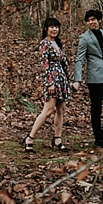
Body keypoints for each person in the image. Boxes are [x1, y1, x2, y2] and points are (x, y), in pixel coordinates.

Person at [73, 9, 103, 148]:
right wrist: (77, 79)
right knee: (96, 108)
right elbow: (79, 59)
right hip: (94, 77)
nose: (91, 22)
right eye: (88, 20)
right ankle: (98, 139)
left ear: (99, 20)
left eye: (93, 20)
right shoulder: (84, 38)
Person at [23, 17, 71, 153]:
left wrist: (69, 80)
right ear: (46, 29)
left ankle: (57, 139)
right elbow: (45, 65)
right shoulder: (44, 44)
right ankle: (30, 138)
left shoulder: (57, 43)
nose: (55, 29)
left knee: (61, 110)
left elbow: (64, 63)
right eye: (52, 27)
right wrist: (50, 83)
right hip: (52, 80)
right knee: (48, 110)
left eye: (56, 27)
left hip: (62, 80)